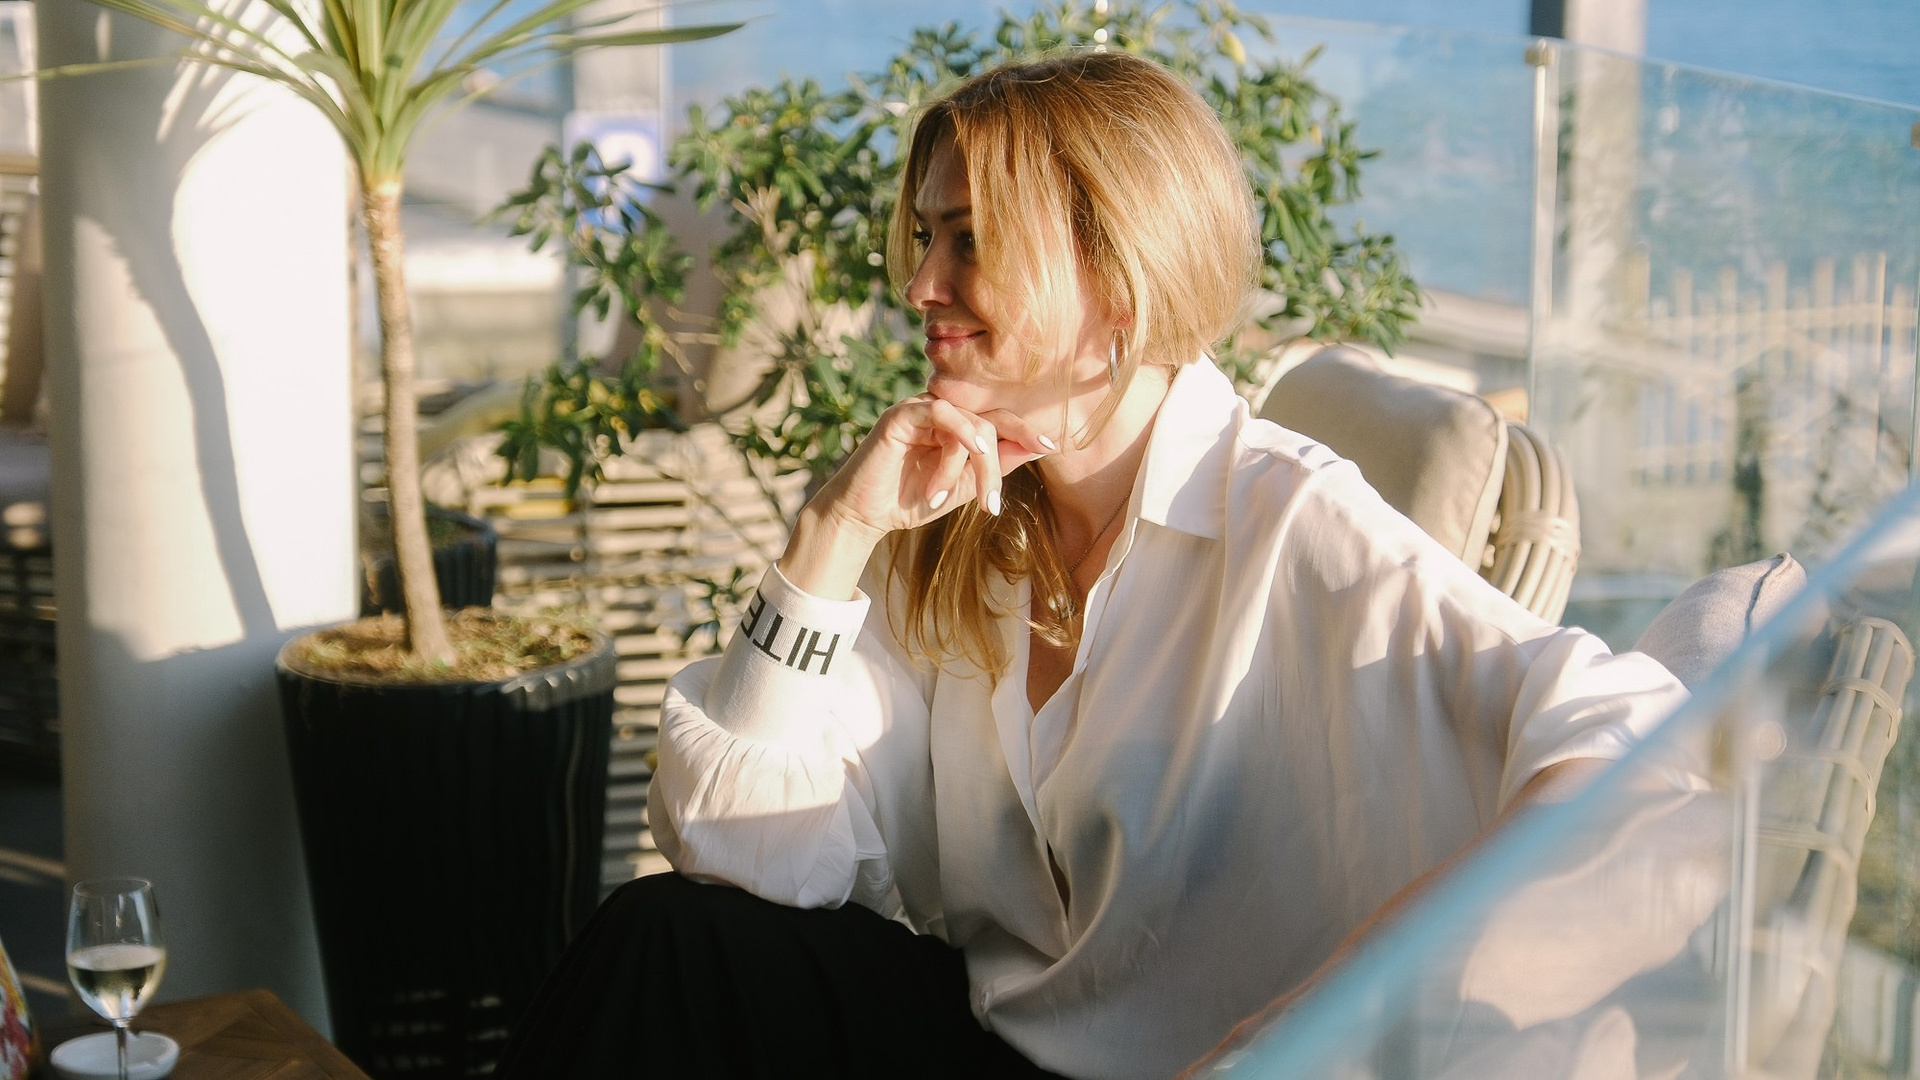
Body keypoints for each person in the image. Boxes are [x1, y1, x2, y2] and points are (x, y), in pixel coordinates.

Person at [495, 48, 1686, 1079]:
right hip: (988, 1043)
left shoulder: (1287, 521)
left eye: (970, 241)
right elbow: (734, 843)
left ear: (1117, 277)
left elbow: (1637, 737)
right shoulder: (956, 519)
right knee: (670, 938)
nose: (919, 286)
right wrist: (832, 535)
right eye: (927, 237)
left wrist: (1322, 1019)